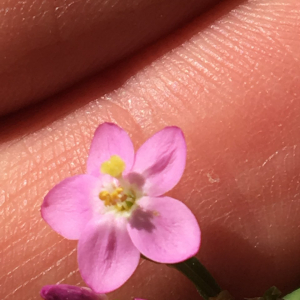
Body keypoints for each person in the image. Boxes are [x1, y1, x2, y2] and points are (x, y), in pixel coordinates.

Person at [1, 0, 299, 299]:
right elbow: (60, 208)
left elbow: (169, 151)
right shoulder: (104, 210)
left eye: (120, 196)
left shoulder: (145, 172)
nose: (118, 195)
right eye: (118, 197)